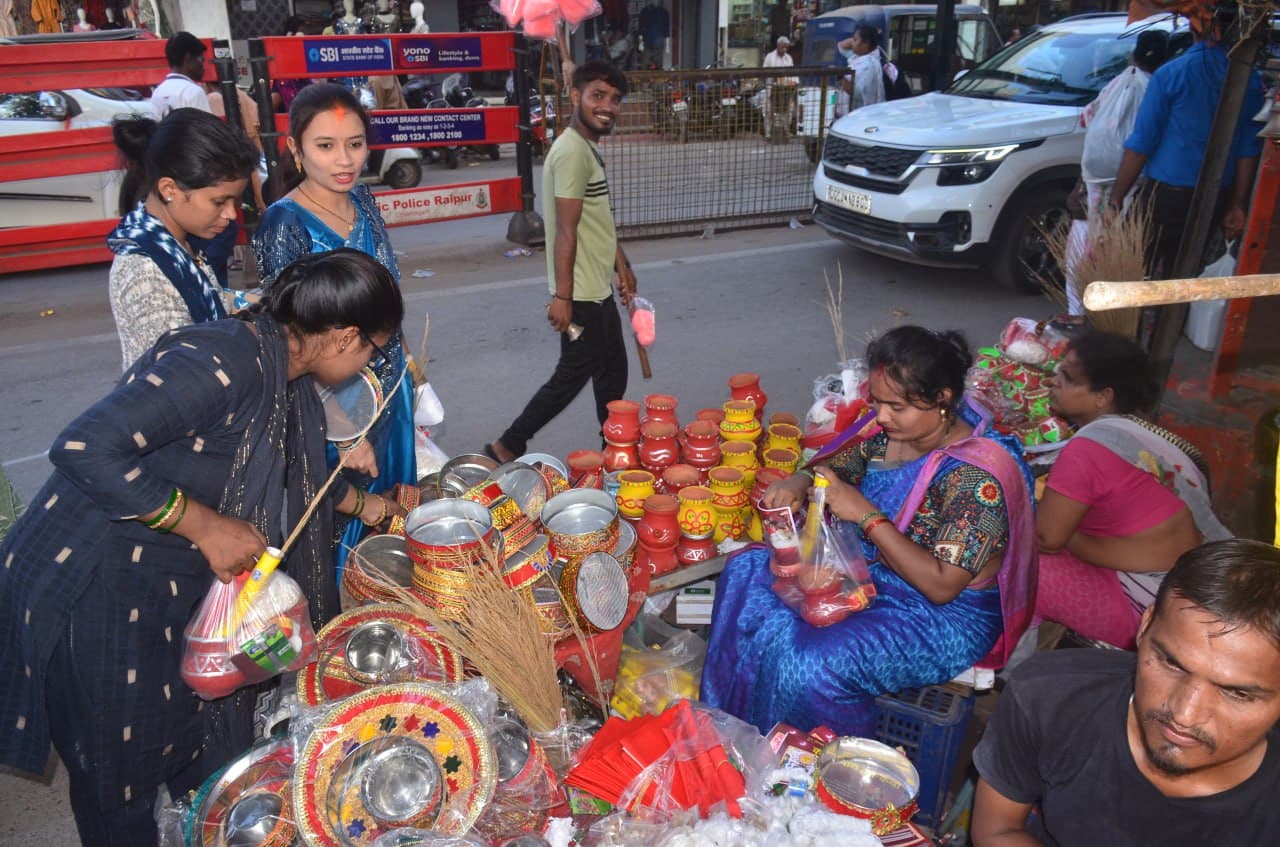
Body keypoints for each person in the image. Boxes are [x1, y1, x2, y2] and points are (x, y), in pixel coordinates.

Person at [0, 249, 404, 846]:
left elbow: (295, 469)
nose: (374, 359)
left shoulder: (284, 371)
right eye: (375, 346)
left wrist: (378, 509)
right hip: (99, 582)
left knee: (201, 748)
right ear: (344, 336)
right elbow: (83, 448)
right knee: (122, 781)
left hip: (166, 583)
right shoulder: (221, 359)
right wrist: (204, 526)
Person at [702, 326, 1037, 736]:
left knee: (809, 663)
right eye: (877, 403)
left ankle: (827, 771)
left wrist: (867, 515)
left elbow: (941, 585)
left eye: (897, 406)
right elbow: (832, 467)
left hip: (938, 615)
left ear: (942, 400)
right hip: (872, 575)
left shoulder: (975, 479)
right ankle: (734, 732)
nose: (881, 417)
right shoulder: (889, 435)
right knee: (746, 573)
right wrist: (798, 483)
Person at [973, 539, 1280, 846]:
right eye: (1171, 663)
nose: (1184, 715)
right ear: (1145, 626)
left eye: (1237, 693)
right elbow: (998, 831)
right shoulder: (1049, 698)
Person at [253, 83, 414, 574]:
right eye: (325, 146)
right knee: (348, 541)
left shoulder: (364, 201)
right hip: (331, 415)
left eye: (356, 144)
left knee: (398, 527)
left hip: (390, 396)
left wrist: (409, 368)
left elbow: (387, 297)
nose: (344, 160)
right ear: (296, 149)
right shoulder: (283, 224)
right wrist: (343, 435)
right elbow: (292, 343)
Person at [1034, 330, 1229, 649]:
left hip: (1153, 609)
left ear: (1103, 396)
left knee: (1021, 565)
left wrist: (1036, 515)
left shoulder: (1088, 449)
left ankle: (1006, 669)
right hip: (1189, 586)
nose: (1053, 381)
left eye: (1067, 378)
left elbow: (1047, 538)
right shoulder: (1150, 441)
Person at [485, 61, 636, 464]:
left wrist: (623, 265)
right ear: (576, 97)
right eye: (598, 96)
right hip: (581, 294)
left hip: (596, 287)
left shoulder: (585, 149)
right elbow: (566, 231)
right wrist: (562, 297)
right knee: (571, 377)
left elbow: (597, 220)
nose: (608, 106)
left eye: (615, 99)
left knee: (613, 372)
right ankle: (508, 445)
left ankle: (614, 449)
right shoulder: (572, 153)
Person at [1108, 16, 1266, 277]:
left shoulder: (1172, 73)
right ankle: (1166, 318)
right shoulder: (1250, 80)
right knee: (1182, 279)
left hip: (1164, 198)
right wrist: (1237, 203)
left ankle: (1141, 318)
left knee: (1129, 275)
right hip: (1216, 197)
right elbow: (1247, 150)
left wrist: (1116, 197)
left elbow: (1142, 143)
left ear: (1194, 28)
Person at [108, 109, 258, 370]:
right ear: (169, 190)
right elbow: (181, 379)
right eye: (219, 201)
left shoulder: (179, 246)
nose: (231, 214)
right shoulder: (146, 272)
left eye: (235, 201)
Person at [1063, 30, 1167, 313]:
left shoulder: (1118, 83)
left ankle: (1078, 311)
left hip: (1094, 178)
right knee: (1114, 241)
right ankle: (1098, 309)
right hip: (1131, 179)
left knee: (1085, 239)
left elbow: (1089, 117)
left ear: (1134, 55)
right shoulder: (1156, 87)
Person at [150, 31, 210, 116]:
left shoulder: (157, 93)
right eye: (201, 59)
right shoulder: (193, 92)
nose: (203, 66)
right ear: (188, 58)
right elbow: (206, 128)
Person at [837, 24, 885, 109]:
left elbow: (859, 94)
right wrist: (856, 40)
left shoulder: (869, 64)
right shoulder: (858, 58)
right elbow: (841, 46)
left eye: (855, 40)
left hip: (861, 115)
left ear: (866, 43)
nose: (852, 43)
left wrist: (840, 76)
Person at [762, 36, 799, 141]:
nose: (784, 50)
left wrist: (793, 82)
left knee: (787, 111)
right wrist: (774, 77)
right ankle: (768, 134)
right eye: (783, 47)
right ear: (778, 46)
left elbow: (792, 72)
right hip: (772, 89)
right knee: (769, 111)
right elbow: (764, 71)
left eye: (786, 48)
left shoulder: (788, 58)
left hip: (786, 89)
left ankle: (785, 132)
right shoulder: (770, 57)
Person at [638, 0, 669, 69]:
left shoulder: (664, 12)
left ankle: (657, 78)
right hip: (646, 43)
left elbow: (666, 30)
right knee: (645, 65)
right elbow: (641, 28)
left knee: (658, 65)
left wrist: (667, 45)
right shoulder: (645, 11)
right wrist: (640, 43)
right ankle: (645, 79)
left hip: (659, 43)